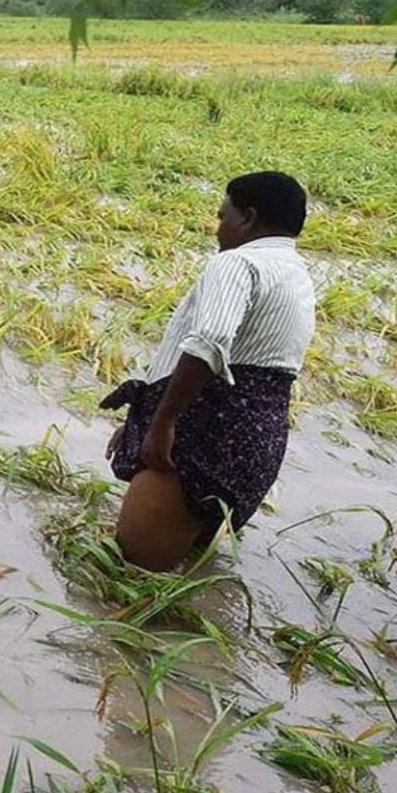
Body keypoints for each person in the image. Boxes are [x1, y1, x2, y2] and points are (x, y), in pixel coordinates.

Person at [102, 172, 316, 572]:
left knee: (126, 572)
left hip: (202, 436)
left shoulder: (237, 262)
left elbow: (208, 343)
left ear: (248, 218)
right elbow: (257, 371)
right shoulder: (296, 274)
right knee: (189, 579)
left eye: (223, 217)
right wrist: (143, 418)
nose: (218, 230)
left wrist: (163, 421)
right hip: (256, 449)